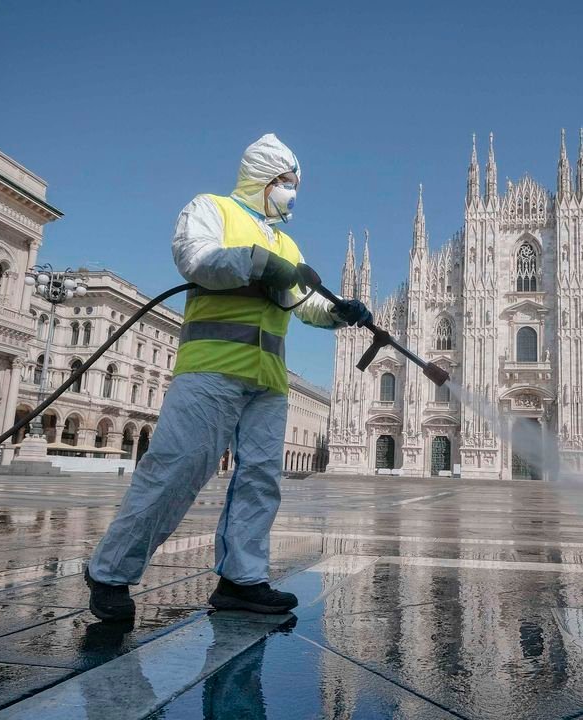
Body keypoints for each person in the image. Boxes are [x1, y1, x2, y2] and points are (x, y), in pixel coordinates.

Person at [83, 134, 370, 621]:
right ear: (262, 178)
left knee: (260, 479)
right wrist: (257, 263)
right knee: (177, 469)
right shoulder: (212, 209)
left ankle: (241, 578)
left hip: (269, 378)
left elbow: (304, 302)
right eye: (285, 182)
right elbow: (195, 258)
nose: (291, 192)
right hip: (212, 367)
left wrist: (339, 312)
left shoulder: (285, 240)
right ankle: (111, 572)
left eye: (294, 184)